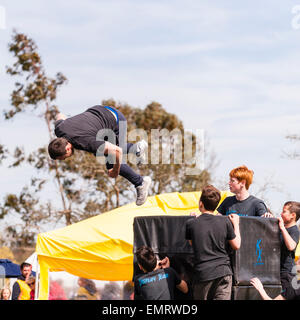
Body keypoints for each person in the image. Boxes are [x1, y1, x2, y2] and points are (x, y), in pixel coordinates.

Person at [48, 105, 151, 206]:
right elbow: (59, 115)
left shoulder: (84, 142)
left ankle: (140, 182)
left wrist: (115, 170)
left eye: (65, 157)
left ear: (67, 148)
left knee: (111, 162)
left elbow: (117, 151)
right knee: (102, 152)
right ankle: (137, 149)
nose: (67, 158)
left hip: (117, 120)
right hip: (102, 110)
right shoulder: (59, 129)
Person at [186, 184, 241, 300]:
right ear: (216, 205)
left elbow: (192, 243)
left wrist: (194, 220)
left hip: (203, 274)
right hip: (223, 272)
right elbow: (236, 245)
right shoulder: (225, 222)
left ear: (201, 203)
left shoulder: (191, 223)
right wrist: (236, 223)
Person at [278, 201, 300, 296]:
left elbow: (291, 246)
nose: (281, 214)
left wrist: (282, 228)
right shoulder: (281, 228)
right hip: (276, 271)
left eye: (284, 211)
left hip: (287, 273)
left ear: (293, 215)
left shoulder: (294, 230)